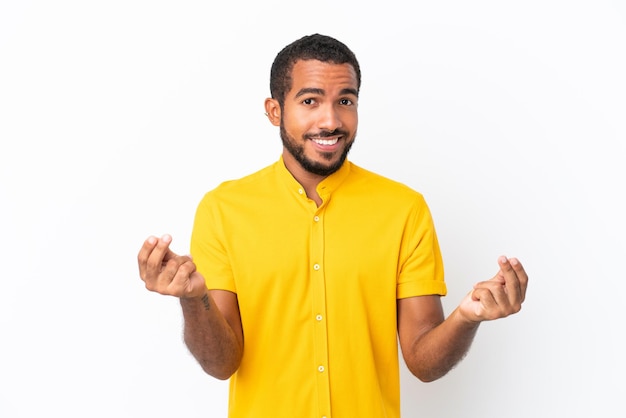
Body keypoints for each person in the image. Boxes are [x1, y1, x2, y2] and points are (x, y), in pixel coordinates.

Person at [137, 33, 528, 418]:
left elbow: (423, 363)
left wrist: (466, 317)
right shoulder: (223, 210)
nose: (331, 120)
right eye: (310, 101)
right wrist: (193, 299)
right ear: (275, 111)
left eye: (346, 101)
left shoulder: (404, 209)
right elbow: (221, 364)